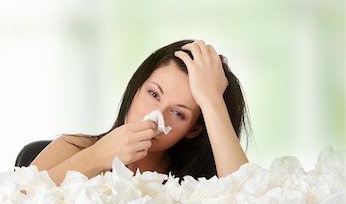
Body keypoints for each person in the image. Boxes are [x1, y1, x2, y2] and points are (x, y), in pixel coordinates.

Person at [32, 40, 250, 185]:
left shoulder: (199, 185)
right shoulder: (71, 148)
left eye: (177, 113)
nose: (155, 116)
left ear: (193, 129)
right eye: (154, 94)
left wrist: (212, 100)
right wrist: (98, 156)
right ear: (136, 86)